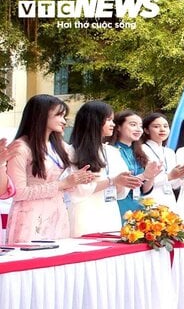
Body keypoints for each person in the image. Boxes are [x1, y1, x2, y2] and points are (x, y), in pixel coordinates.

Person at [5, 95, 95, 242]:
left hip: (57, 212)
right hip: (31, 216)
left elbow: (64, 183)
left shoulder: (60, 146)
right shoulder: (21, 148)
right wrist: (63, 184)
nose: (64, 121)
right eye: (59, 115)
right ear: (40, 115)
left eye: (64, 116)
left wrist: (77, 180)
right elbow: (19, 193)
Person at [68, 101, 144, 236]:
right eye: (108, 120)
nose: (113, 124)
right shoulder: (72, 152)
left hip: (110, 212)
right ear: (94, 121)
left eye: (112, 120)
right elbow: (78, 191)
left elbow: (121, 191)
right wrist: (112, 181)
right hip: (85, 214)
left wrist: (122, 182)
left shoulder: (112, 151)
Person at [108, 110, 162, 220]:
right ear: (118, 127)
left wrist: (151, 175)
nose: (138, 129)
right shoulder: (111, 151)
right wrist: (144, 176)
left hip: (138, 206)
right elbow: (118, 183)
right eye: (133, 125)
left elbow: (145, 189)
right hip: (119, 204)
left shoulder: (140, 152)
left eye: (140, 126)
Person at [141, 113, 184, 212]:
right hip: (150, 200)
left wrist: (181, 175)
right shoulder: (142, 149)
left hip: (169, 200)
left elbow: (174, 185)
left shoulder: (169, 152)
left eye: (165, 126)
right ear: (146, 130)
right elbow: (144, 181)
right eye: (156, 126)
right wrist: (170, 176)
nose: (162, 129)